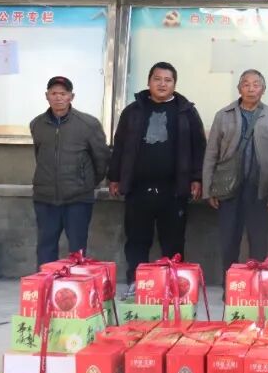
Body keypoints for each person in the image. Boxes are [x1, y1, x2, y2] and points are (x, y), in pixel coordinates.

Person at [109, 63, 206, 296]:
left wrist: (197, 178)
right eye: (157, 79)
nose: (162, 84)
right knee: (136, 239)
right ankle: (136, 283)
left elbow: (198, 147)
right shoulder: (133, 111)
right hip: (138, 188)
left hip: (174, 190)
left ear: (174, 84)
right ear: (148, 81)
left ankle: (172, 284)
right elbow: (120, 145)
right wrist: (114, 177)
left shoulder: (186, 112)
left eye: (168, 80)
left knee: (173, 240)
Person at [202, 70, 268, 282]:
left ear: (263, 90)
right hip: (229, 189)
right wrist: (208, 188)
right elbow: (211, 154)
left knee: (259, 242)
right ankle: (230, 286)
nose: (251, 89)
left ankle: (255, 287)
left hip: (260, 190)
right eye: (246, 84)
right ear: (239, 89)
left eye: (256, 84)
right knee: (229, 241)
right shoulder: (223, 115)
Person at [30, 76, 111, 268]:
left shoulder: (88, 124)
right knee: (45, 247)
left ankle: (75, 284)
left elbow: (101, 159)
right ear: (46, 96)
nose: (58, 98)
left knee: (77, 250)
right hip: (45, 198)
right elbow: (39, 156)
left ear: (71, 97)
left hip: (77, 199)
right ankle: (46, 282)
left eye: (63, 93)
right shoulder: (37, 124)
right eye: (54, 93)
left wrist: (86, 183)